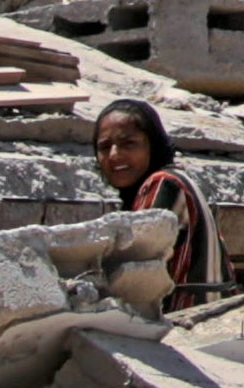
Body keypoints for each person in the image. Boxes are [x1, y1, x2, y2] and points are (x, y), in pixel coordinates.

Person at [92, 96, 221, 301]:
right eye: (105, 147)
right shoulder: (174, 178)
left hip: (191, 317)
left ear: (152, 145)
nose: (114, 155)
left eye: (129, 144)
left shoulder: (162, 184)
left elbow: (137, 275)